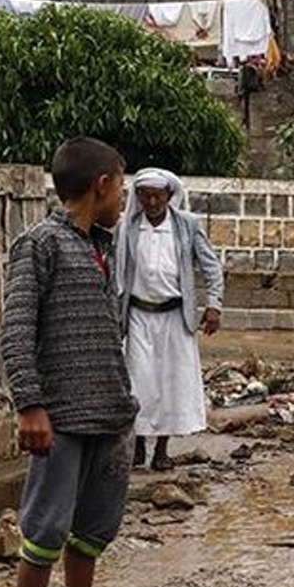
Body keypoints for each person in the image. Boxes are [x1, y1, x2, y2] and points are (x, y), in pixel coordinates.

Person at [0, 137, 136, 587]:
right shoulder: (40, 244)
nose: (123, 197)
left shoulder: (101, 244)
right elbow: (16, 331)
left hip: (109, 414)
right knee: (43, 534)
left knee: (91, 532)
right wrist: (30, 405)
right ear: (101, 185)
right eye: (121, 186)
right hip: (61, 417)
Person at [115, 169, 224, 471]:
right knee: (139, 381)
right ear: (137, 197)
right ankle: (137, 446)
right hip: (137, 314)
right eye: (145, 195)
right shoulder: (127, 228)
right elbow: (115, 271)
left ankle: (161, 449)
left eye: (157, 195)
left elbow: (211, 266)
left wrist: (214, 305)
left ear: (168, 196)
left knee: (170, 382)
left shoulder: (187, 225)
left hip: (175, 316)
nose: (151, 201)